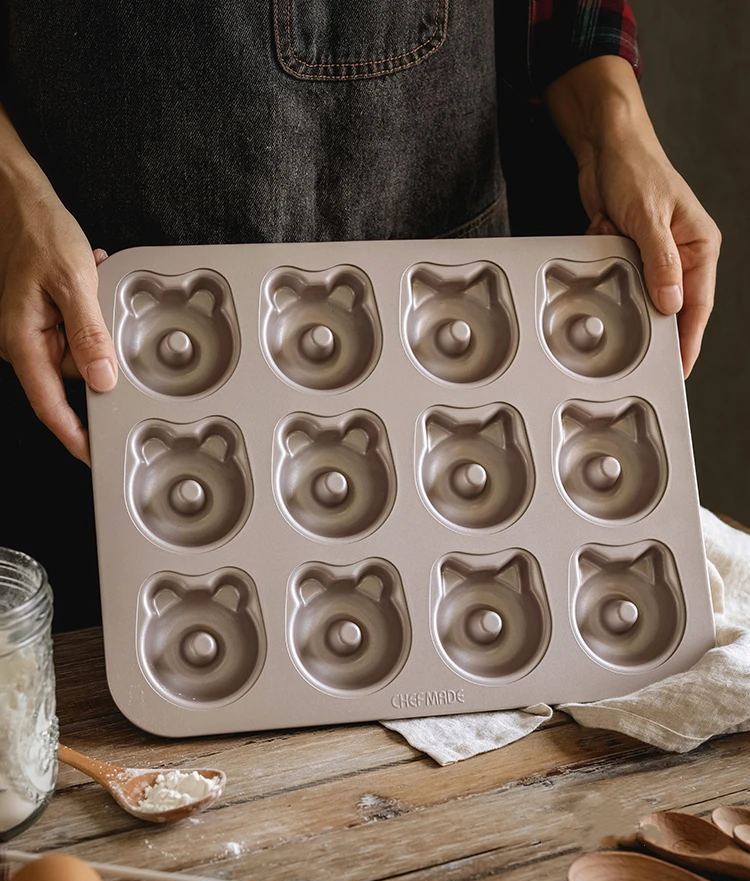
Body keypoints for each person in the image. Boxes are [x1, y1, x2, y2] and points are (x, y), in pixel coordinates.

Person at [0, 2, 720, 625]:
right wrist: (10, 197)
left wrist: (614, 129)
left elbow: (560, 12)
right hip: (108, 334)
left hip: (450, 333)